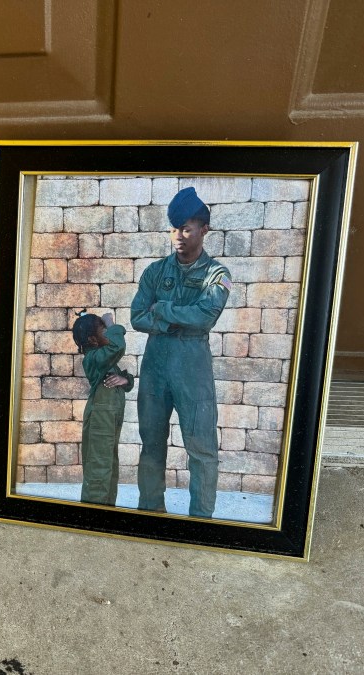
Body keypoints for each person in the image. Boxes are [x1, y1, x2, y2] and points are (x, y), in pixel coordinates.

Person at [130, 187, 231, 518]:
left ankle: (200, 521)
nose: (178, 236)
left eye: (186, 229)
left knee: (201, 449)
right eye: (174, 229)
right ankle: (150, 512)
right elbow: (137, 316)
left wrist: (164, 310)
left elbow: (206, 316)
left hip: (193, 369)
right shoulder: (155, 272)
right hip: (156, 367)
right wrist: (173, 321)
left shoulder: (217, 275)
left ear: (204, 229)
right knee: (151, 445)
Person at [72, 310, 134, 506]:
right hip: (100, 419)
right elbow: (117, 346)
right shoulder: (93, 358)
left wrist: (125, 380)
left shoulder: (104, 358)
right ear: (92, 339)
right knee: (99, 470)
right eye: (104, 330)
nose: (108, 333)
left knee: (110, 468)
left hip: (109, 420)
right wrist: (112, 323)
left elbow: (124, 381)